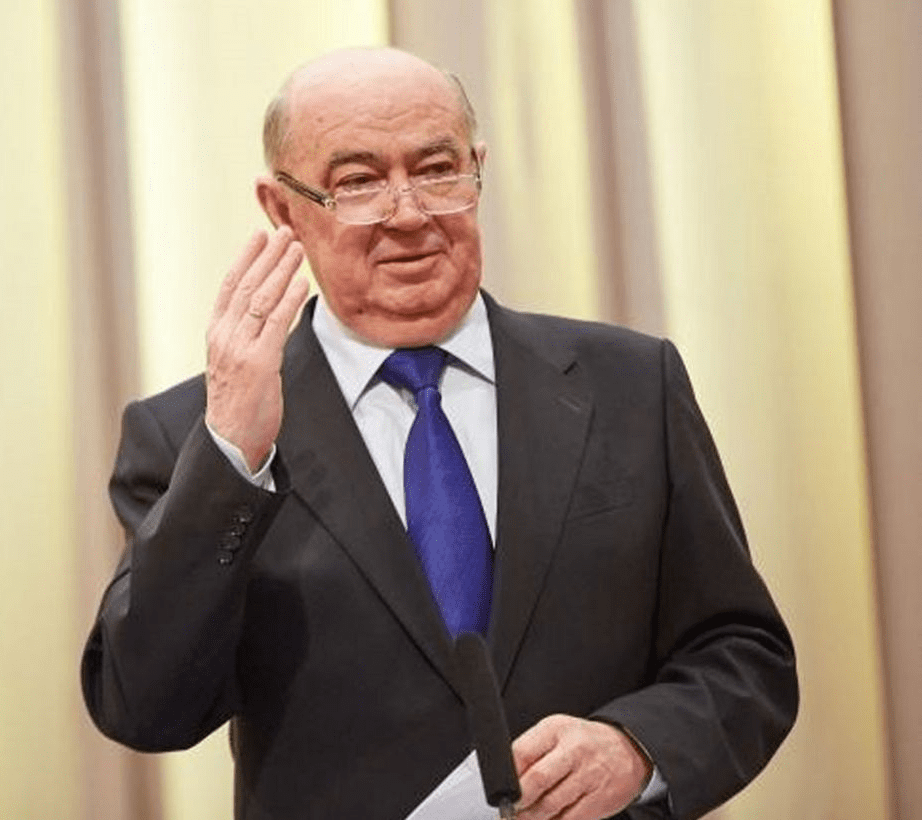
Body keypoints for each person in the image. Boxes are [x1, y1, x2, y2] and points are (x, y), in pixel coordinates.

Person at [81, 47, 797, 820]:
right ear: (283, 208)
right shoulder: (192, 437)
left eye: (436, 170)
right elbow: (145, 708)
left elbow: (743, 654)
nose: (409, 214)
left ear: (478, 171)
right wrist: (232, 458)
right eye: (358, 183)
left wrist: (638, 747)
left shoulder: (631, 384)